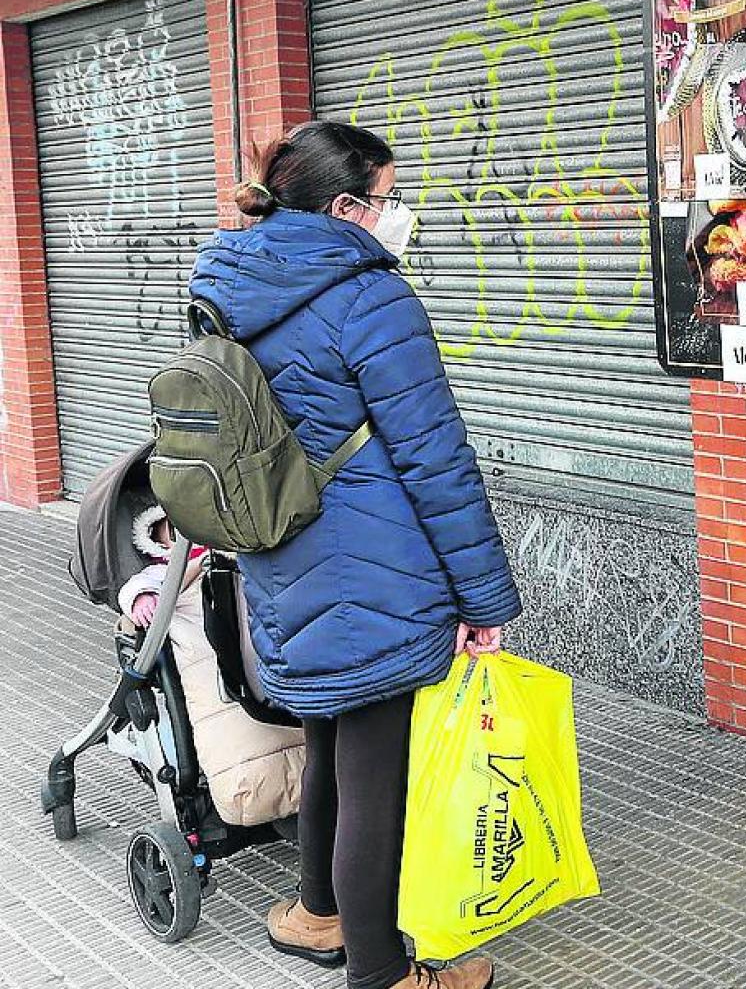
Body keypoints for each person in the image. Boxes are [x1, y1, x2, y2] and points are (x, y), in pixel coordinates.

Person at [190, 120, 519, 989]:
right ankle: (382, 974)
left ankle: (314, 914)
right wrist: (484, 599)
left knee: (332, 738)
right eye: (388, 198)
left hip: (281, 558)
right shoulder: (370, 297)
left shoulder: (227, 280)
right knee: (376, 773)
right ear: (345, 207)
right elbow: (435, 457)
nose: (397, 214)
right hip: (376, 570)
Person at [120, 507, 307, 828]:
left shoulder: (239, 550)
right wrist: (141, 599)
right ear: (161, 544)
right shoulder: (163, 572)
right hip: (208, 653)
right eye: (172, 530)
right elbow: (132, 589)